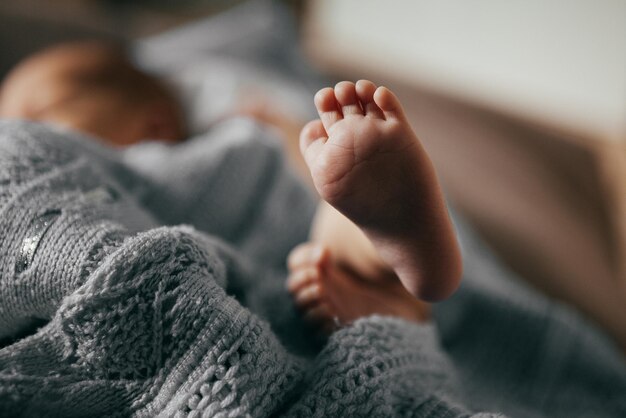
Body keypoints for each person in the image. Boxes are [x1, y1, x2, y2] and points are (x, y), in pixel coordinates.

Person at [0, 40, 462, 333]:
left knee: (337, 218)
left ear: (155, 123)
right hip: (299, 284)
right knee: (332, 253)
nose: (20, 130)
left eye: (39, 115)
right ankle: (392, 304)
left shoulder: (216, 151)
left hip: (292, 244)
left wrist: (288, 137)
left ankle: (391, 236)